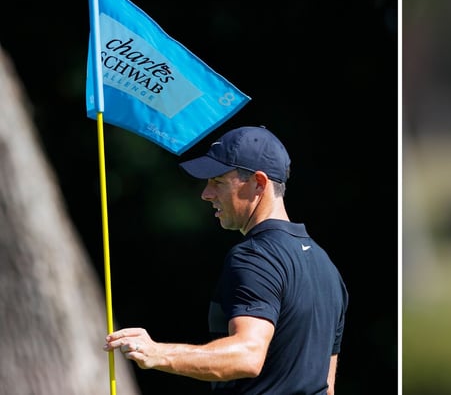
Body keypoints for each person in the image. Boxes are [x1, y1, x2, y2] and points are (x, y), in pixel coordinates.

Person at [104, 125, 349, 395]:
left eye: (218, 181)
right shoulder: (325, 266)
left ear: (259, 183)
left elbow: (247, 355)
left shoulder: (255, 257)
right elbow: (327, 387)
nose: (206, 194)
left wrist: (156, 353)